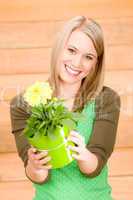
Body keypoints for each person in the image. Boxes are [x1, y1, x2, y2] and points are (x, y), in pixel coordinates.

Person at [10, 16, 121, 200]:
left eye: (88, 57)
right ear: (59, 48)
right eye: (71, 50)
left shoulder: (106, 99)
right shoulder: (23, 104)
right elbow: (39, 178)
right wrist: (36, 166)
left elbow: (94, 166)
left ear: (96, 64)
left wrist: (83, 155)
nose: (77, 63)